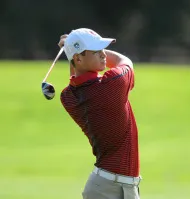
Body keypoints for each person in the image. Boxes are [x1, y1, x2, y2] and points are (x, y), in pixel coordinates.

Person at [58, 28, 141, 199]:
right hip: (111, 188)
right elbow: (124, 61)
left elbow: (76, 76)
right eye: (96, 51)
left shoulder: (67, 97)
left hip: (104, 186)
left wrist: (71, 50)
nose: (103, 54)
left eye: (103, 49)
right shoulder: (112, 83)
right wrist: (70, 48)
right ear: (79, 58)